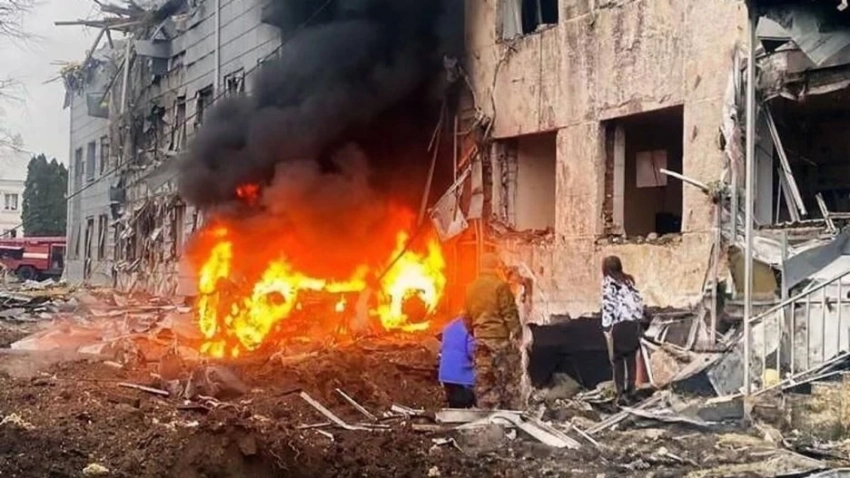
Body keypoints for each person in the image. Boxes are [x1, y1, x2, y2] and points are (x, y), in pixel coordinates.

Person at [465, 253, 522, 409]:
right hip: (499, 339)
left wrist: (475, 332)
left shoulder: (470, 287)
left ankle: (485, 410)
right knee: (505, 377)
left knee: (484, 378)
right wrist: (517, 332)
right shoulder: (500, 286)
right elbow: (509, 312)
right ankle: (506, 411)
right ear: (495, 267)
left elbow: (466, 316)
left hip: (480, 339)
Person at [601, 255, 645, 406]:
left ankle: (620, 394)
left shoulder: (609, 283)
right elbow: (638, 302)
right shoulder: (629, 281)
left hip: (619, 325)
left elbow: (608, 306)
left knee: (617, 361)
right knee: (631, 359)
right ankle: (631, 391)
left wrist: (606, 327)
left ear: (606, 269)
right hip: (633, 325)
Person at [438, 316, 476, 408]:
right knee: (463, 409)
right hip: (462, 376)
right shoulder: (469, 327)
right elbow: (473, 351)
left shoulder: (450, 326)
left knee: (455, 407)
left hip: (446, 375)